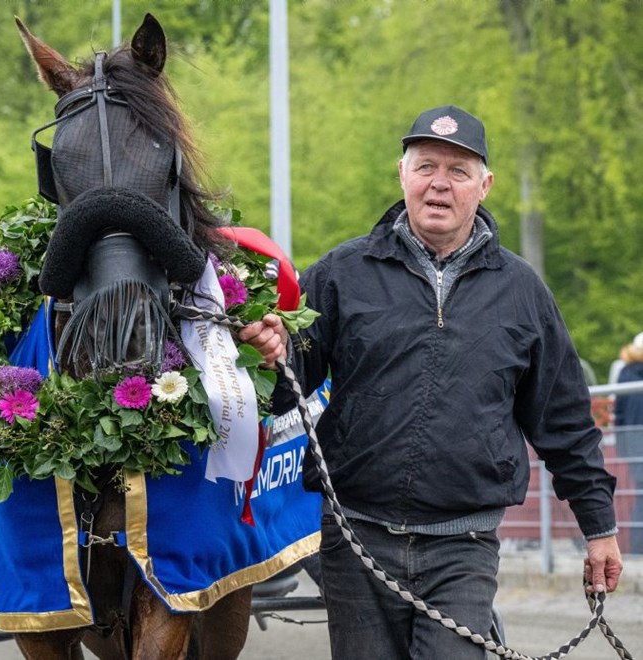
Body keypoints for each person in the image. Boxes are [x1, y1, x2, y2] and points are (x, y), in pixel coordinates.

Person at [241, 105, 622, 658]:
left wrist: (599, 528)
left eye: (458, 171)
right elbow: (285, 390)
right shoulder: (341, 274)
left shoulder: (522, 293)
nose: (439, 184)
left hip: (463, 548)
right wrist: (266, 355)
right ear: (402, 175)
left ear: (484, 186)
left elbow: (564, 423)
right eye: (425, 167)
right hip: (355, 539)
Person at [615, 332, 643, 554]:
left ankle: (637, 546)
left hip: (634, 445)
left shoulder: (625, 373)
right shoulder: (628, 374)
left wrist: (624, 448)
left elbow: (620, 415)